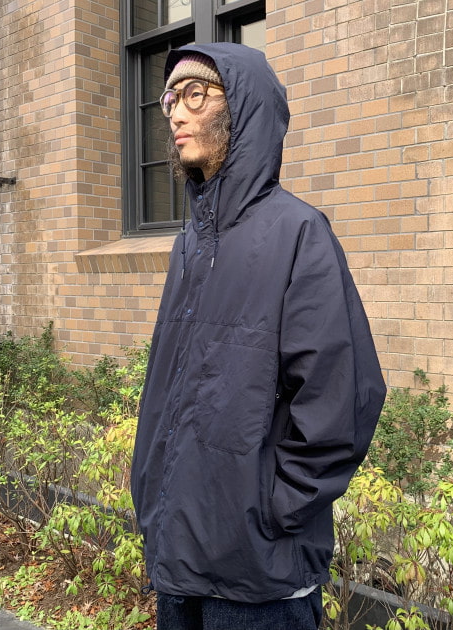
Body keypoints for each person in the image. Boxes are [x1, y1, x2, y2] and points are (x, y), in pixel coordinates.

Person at [131, 43, 386, 630]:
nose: (175, 112)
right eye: (170, 98)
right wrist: (150, 490)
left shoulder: (299, 233)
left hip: (259, 576)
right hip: (178, 557)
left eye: (195, 94)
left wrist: (274, 509)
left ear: (241, 108)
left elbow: (342, 397)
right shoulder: (189, 244)